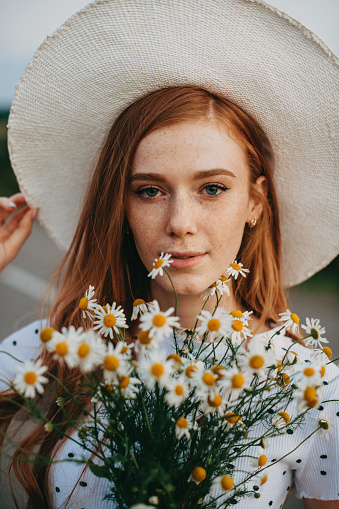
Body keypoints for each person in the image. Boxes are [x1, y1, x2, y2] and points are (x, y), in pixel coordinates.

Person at [0, 1, 338, 508]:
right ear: (123, 206)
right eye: (150, 191)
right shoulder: (65, 352)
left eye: (213, 189)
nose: (180, 222)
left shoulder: (311, 386)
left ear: (255, 202)